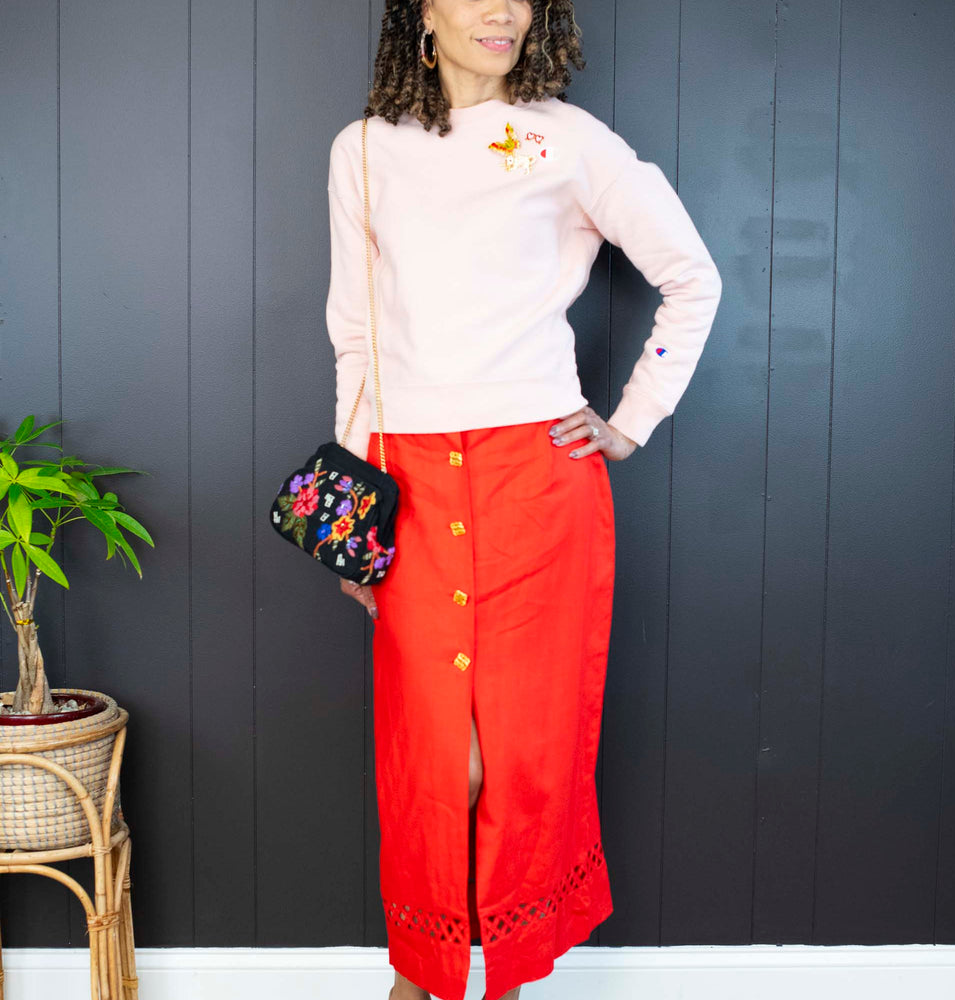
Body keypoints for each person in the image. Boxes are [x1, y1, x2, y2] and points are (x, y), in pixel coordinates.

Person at [325, 3, 723, 999]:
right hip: (405, 480)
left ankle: (496, 976)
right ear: (422, 9)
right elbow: (354, 337)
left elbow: (691, 278)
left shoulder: (570, 142)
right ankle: (419, 975)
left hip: (537, 485)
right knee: (437, 760)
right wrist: (348, 513)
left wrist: (629, 421)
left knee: (521, 755)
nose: (503, 9)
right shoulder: (363, 150)